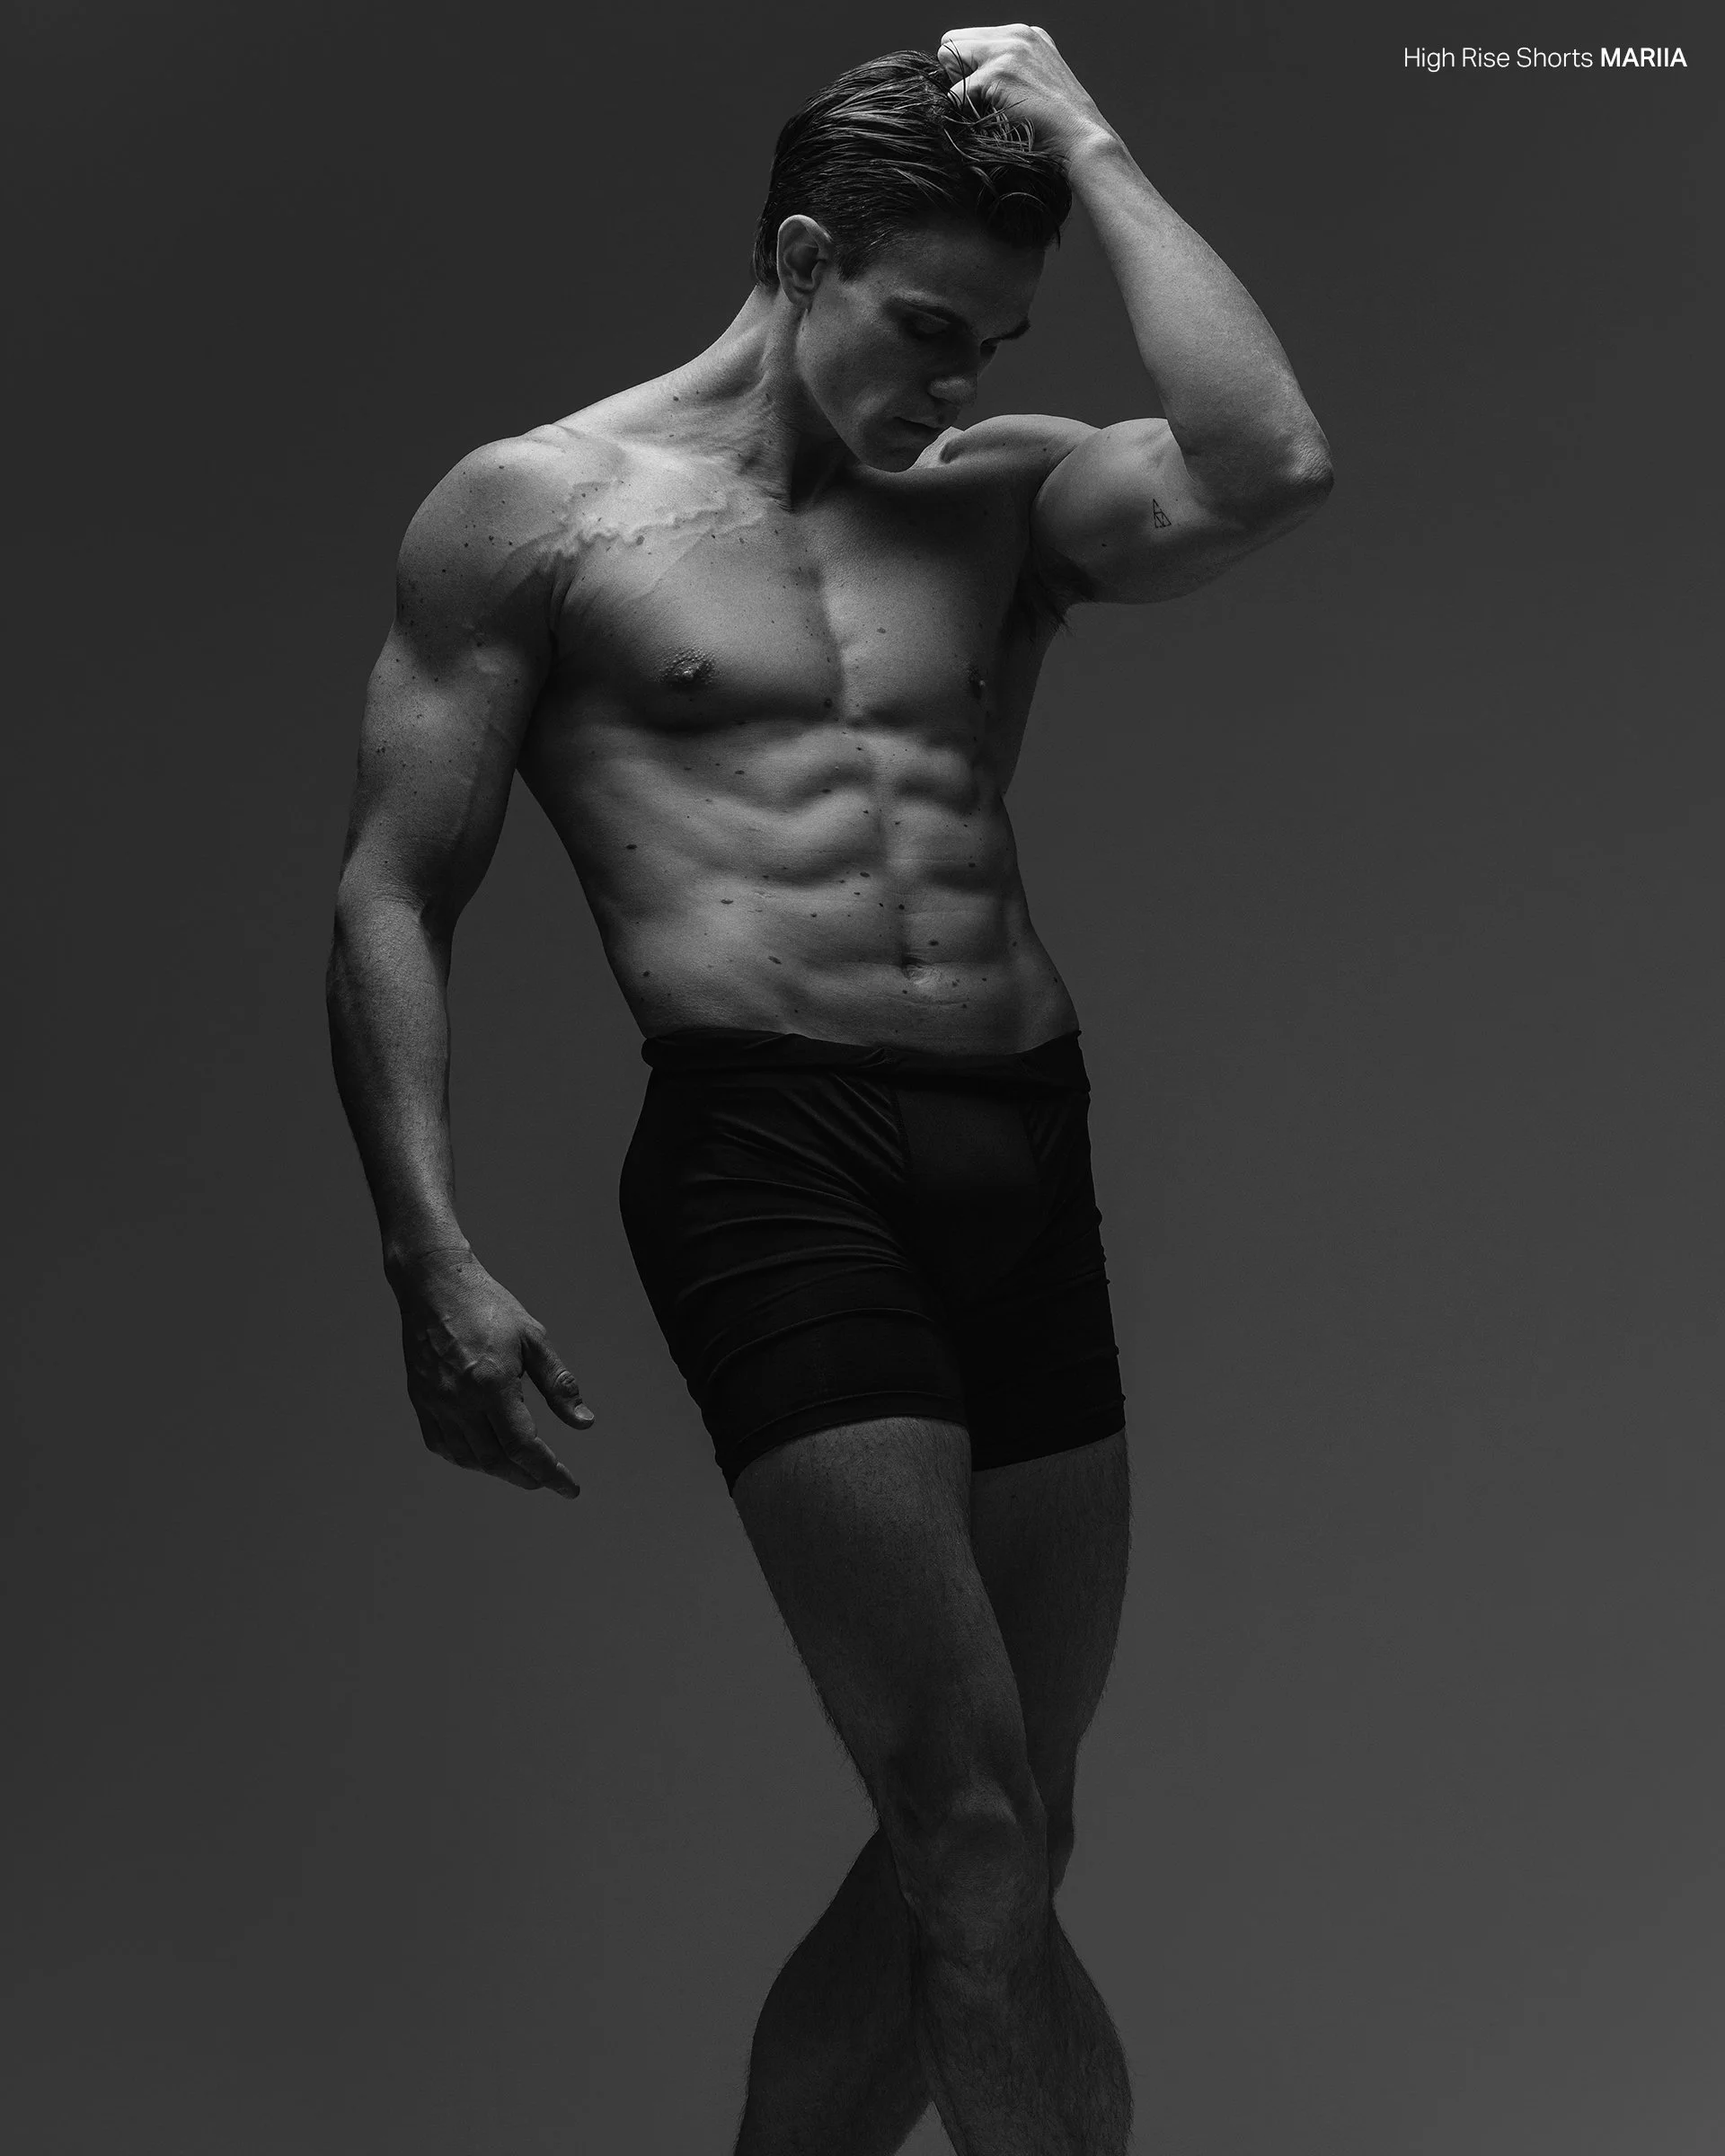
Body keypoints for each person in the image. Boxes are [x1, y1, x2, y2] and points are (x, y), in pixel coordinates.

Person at [326, 25, 1330, 2153]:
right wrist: (429, 1253)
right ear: (801, 260)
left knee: (1016, 1825)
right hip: (774, 1156)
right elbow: (396, 893)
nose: (960, 382)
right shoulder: (540, 511)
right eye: (928, 328)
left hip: (1022, 1139)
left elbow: (1269, 467)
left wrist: (1091, 142)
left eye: (998, 340)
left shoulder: (1003, 497)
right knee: (963, 1822)